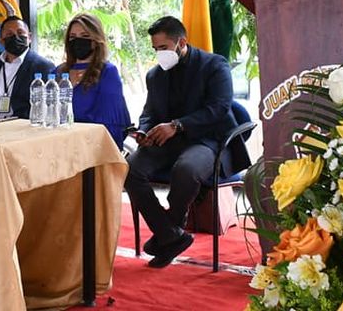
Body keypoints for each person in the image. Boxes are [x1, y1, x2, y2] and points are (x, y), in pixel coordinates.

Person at [125, 16, 237, 269]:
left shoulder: (214, 65)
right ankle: (170, 235)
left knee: (186, 169)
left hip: (208, 139)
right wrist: (143, 131)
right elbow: (149, 112)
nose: (159, 54)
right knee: (129, 169)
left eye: (163, 48)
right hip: (167, 141)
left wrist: (177, 125)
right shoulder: (155, 75)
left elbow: (218, 108)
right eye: (155, 49)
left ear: (182, 42)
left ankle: (168, 234)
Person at [55, 13, 130, 149]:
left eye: (85, 36)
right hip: (58, 144)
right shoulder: (57, 72)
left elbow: (109, 127)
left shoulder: (107, 72)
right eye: (73, 37)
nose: (78, 41)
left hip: (92, 148)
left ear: (96, 41)